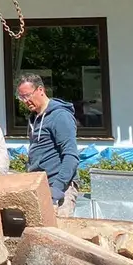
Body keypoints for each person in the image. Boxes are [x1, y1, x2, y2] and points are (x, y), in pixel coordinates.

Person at [15, 72, 80, 215]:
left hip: (60, 188)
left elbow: (71, 156)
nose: (25, 101)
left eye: (27, 95)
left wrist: (57, 190)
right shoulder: (34, 118)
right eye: (21, 97)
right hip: (40, 187)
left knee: (59, 233)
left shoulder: (60, 116)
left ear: (40, 90)